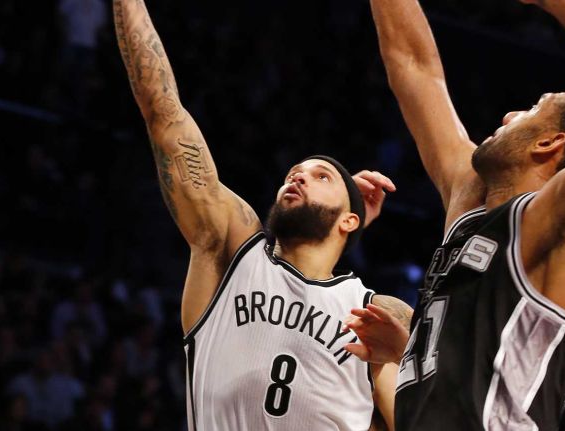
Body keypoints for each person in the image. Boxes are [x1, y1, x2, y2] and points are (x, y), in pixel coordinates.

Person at [345, 0, 565, 429]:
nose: (509, 114)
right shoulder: (469, 200)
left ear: (549, 144)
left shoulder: (558, 224)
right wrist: (404, 353)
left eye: (532, 109)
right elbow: (413, 66)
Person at [111, 1, 412, 429]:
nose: (299, 178)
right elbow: (164, 114)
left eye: (320, 175)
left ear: (349, 220)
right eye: (294, 173)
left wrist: (400, 355)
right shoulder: (232, 252)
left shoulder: (376, 312)